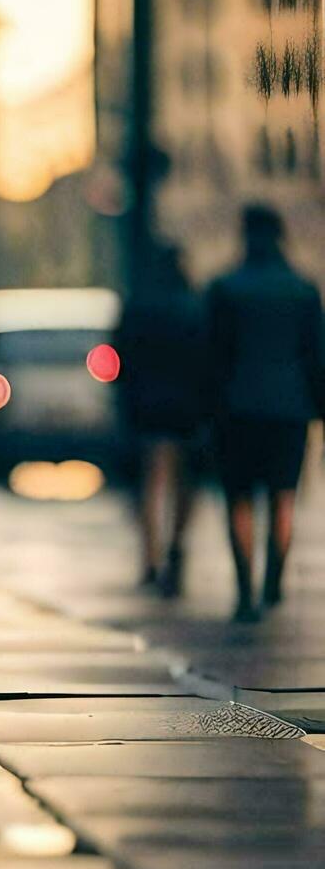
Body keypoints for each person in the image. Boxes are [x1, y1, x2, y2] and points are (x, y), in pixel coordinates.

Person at [207, 205, 323, 621]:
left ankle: (244, 589)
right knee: (284, 497)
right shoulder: (303, 290)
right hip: (289, 409)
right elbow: (316, 358)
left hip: (236, 408)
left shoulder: (225, 288)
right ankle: (274, 581)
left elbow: (213, 356)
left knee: (239, 498)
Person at [113, 244, 209, 597]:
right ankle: (177, 545)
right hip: (188, 407)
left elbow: (121, 361)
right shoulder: (195, 307)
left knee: (152, 480)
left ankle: (151, 557)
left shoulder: (138, 306)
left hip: (148, 406)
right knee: (187, 482)